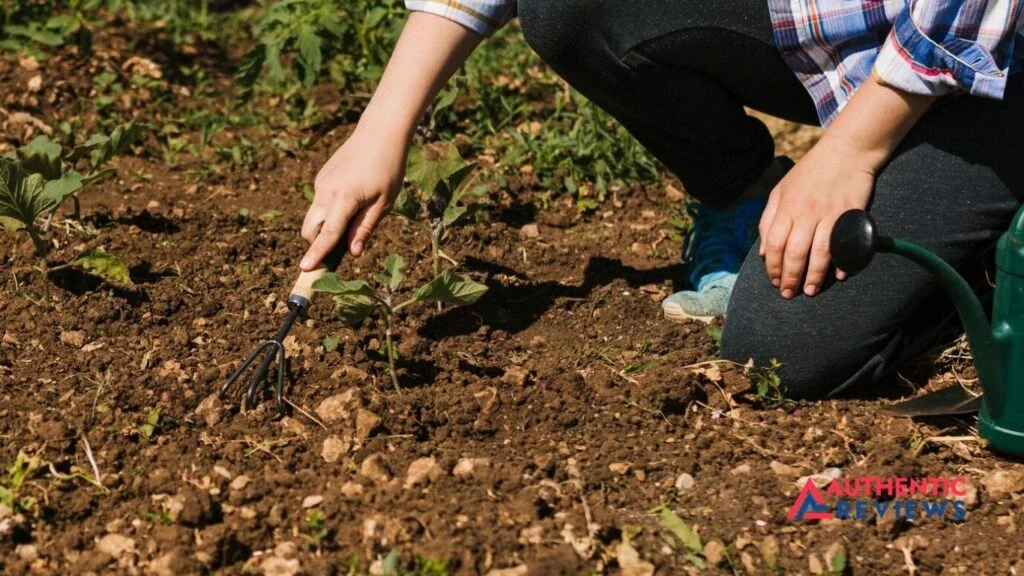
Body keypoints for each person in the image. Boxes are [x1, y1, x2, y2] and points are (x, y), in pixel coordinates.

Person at [298, 1, 1024, 398]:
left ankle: (984, 261)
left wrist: (852, 151)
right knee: (569, 7)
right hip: (843, 30)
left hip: (992, 63)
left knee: (785, 352)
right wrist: (381, 127)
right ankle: (743, 195)